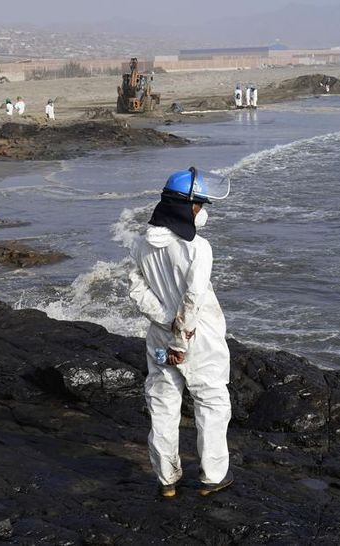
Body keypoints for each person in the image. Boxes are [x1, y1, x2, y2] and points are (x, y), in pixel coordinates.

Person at [128, 167, 233, 499]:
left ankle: (166, 479)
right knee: (212, 403)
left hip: (159, 338)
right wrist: (180, 339)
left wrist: (165, 323)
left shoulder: (142, 242)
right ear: (184, 207)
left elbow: (136, 290)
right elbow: (193, 299)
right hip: (196, 340)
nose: (202, 211)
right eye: (199, 204)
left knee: (162, 402)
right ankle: (213, 476)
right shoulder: (197, 248)